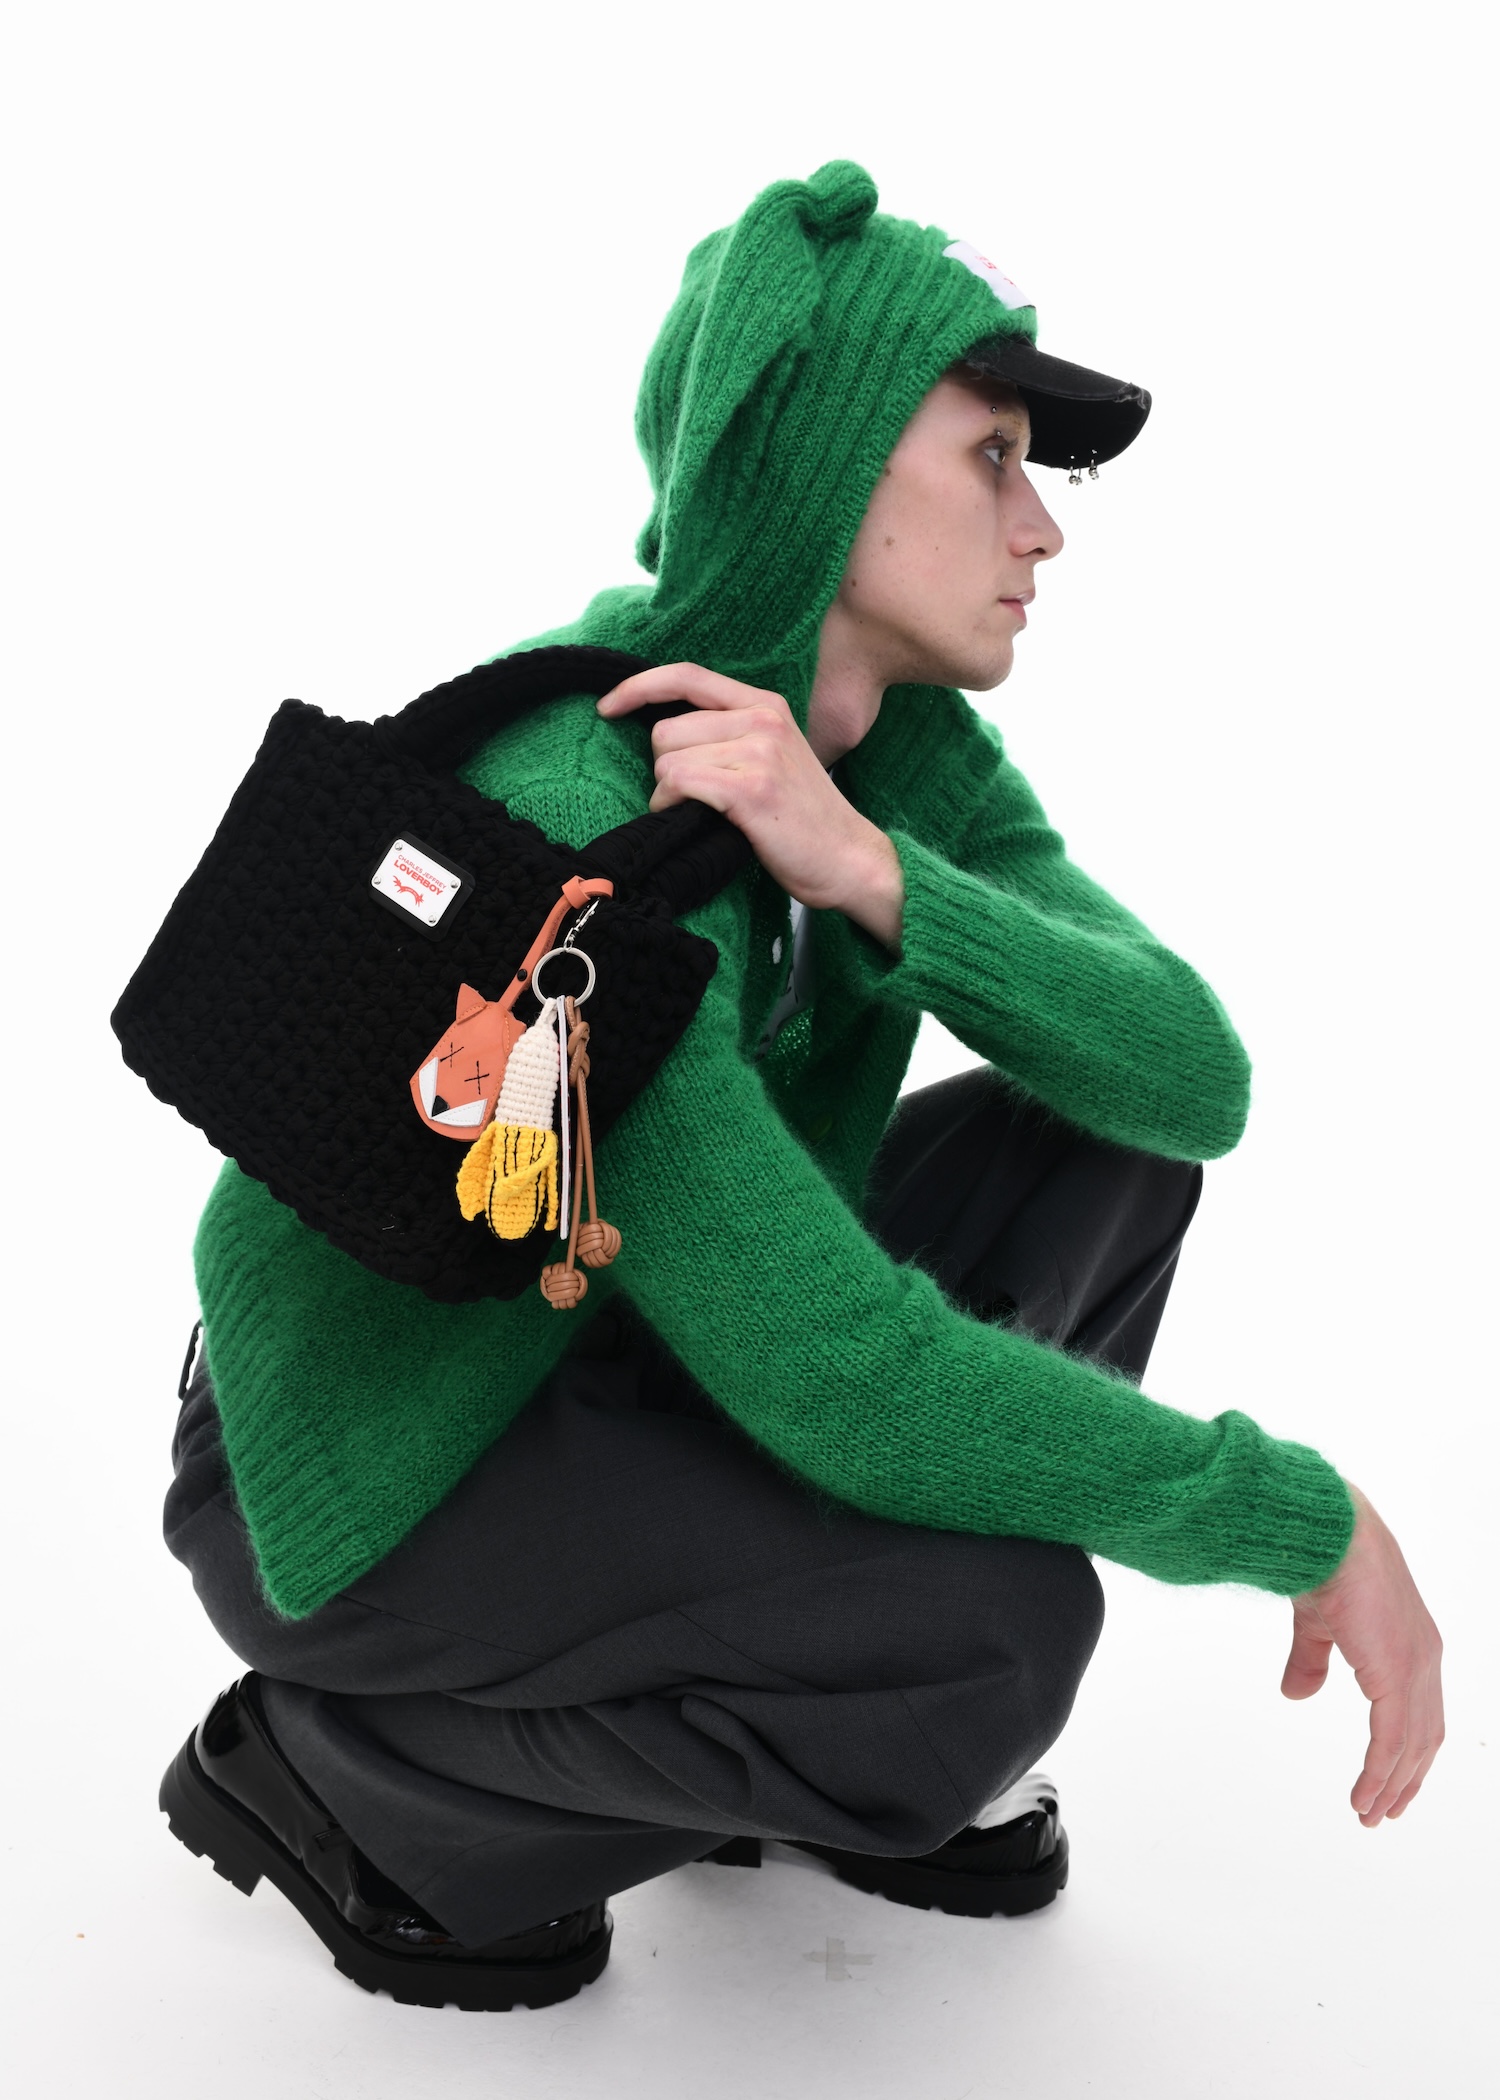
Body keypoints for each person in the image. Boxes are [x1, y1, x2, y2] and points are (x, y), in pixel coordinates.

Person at [159, 162, 1444, 2013]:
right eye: (991, 459)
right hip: (377, 1472)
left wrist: (876, 876)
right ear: (830, 471)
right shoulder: (584, 819)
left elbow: (1191, 1078)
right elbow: (841, 1374)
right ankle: (347, 1774)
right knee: (991, 1641)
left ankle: (770, 1674)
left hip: (617, 1337)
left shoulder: (897, 760)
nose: (1042, 530)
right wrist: (1291, 1516)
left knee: (1102, 1130)